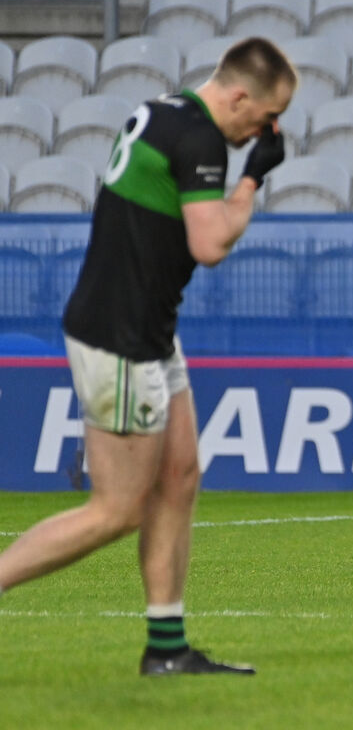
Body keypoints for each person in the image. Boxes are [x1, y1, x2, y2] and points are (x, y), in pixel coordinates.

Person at [0, 37, 296, 673]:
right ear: (240, 94)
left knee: (180, 474)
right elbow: (211, 242)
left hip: (148, 329)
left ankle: (167, 650)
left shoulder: (164, 112)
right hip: (122, 336)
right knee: (116, 510)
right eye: (265, 117)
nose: (264, 131)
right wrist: (252, 178)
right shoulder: (203, 139)